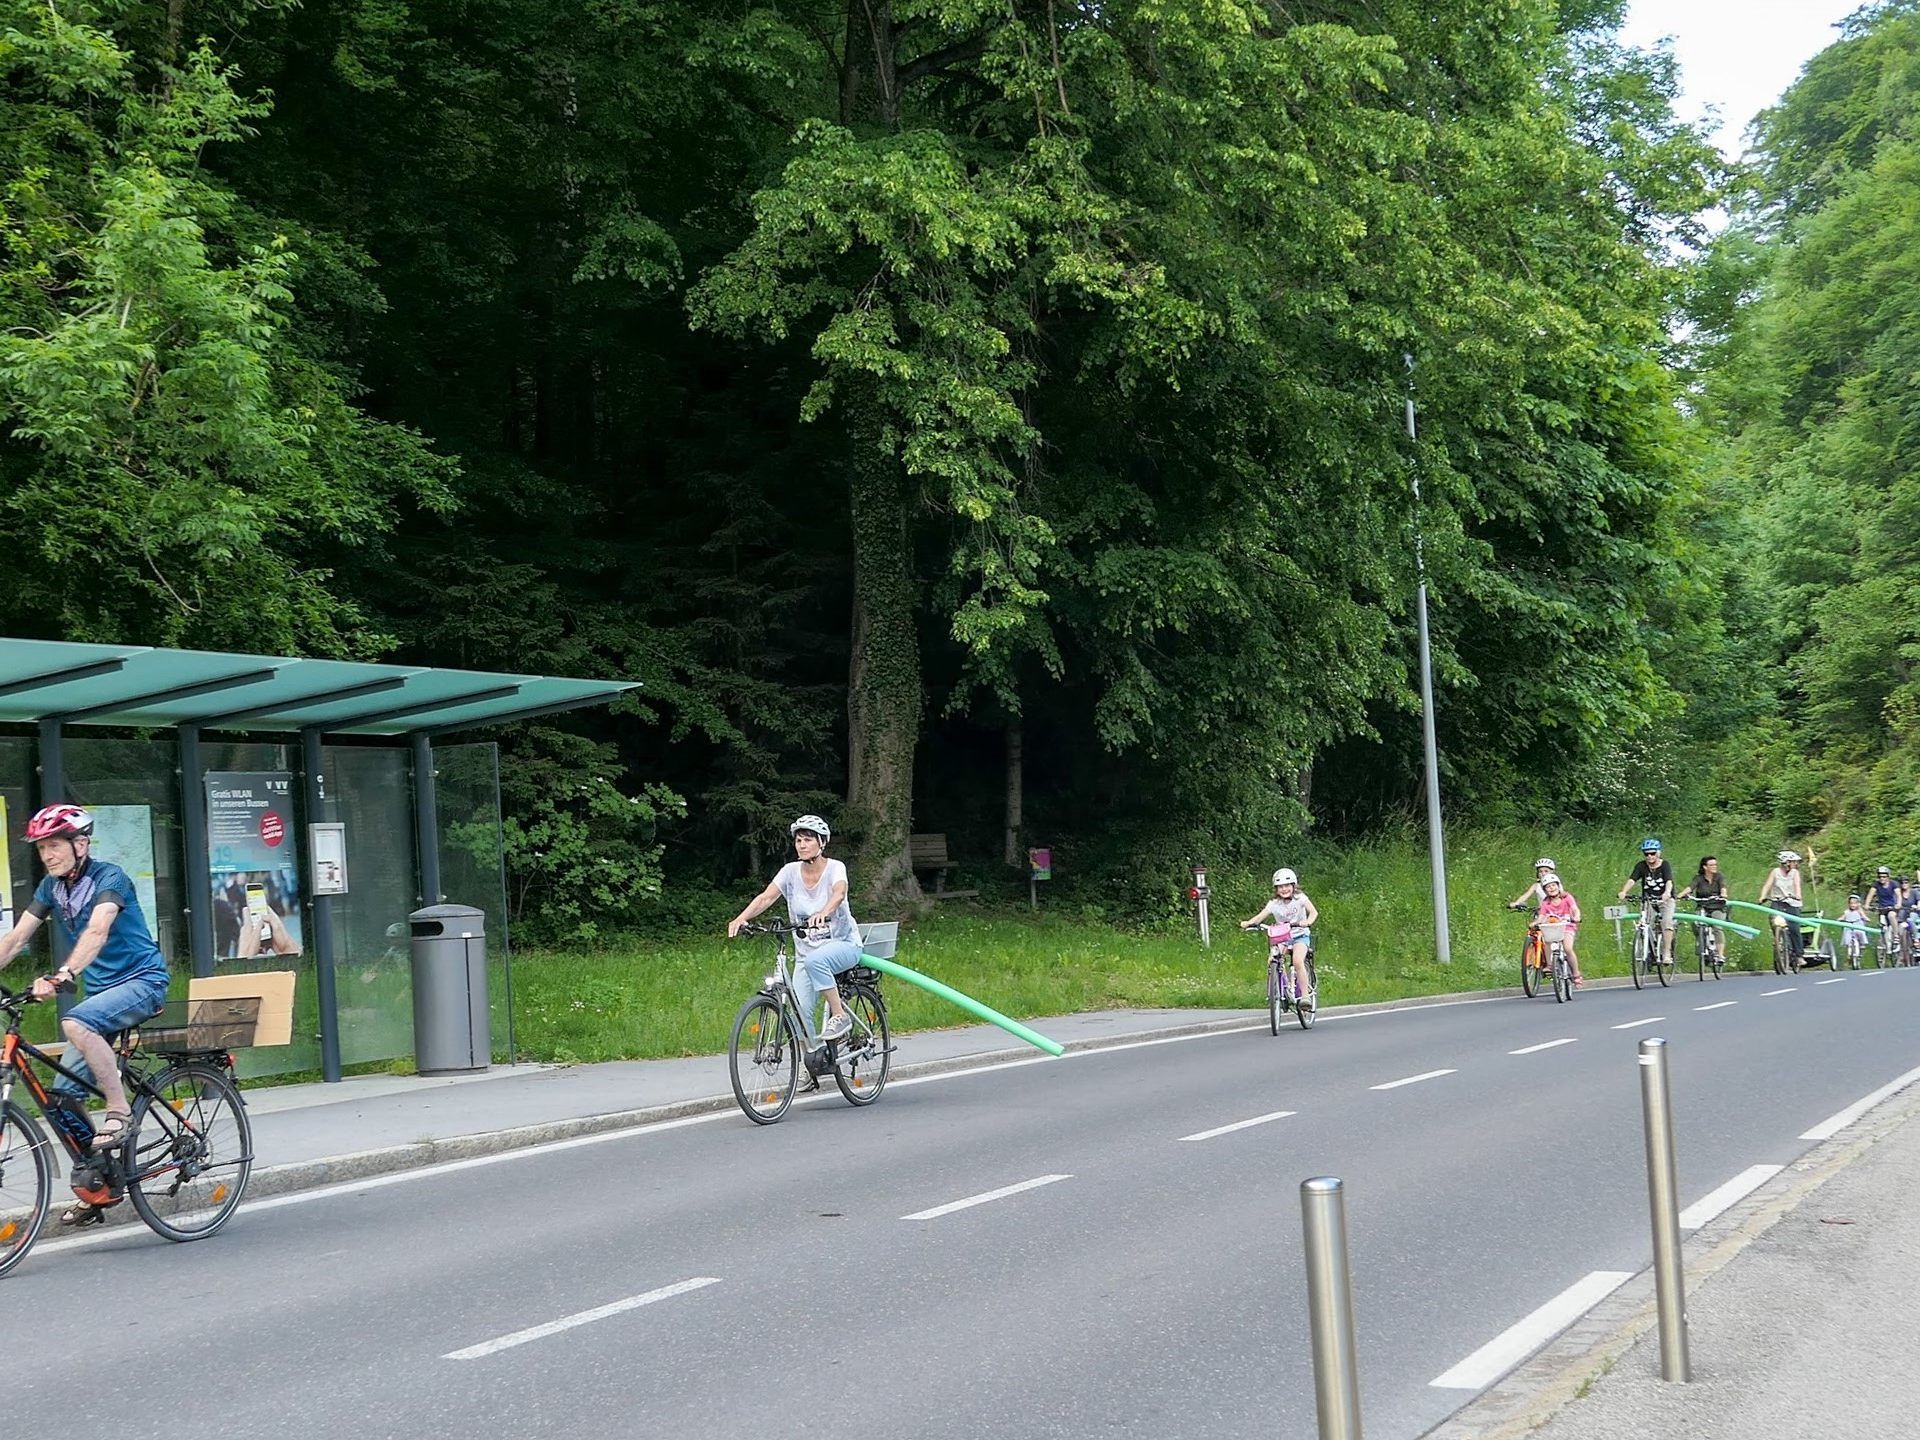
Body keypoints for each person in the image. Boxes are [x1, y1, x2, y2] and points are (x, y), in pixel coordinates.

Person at [0, 804, 171, 1224]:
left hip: (142, 983)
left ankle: (119, 1110)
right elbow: (17, 937)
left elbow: (97, 930)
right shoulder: (50, 889)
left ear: (81, 844)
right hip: (101, 993)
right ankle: (101, 1184)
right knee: (60, 1099)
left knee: (76, 1021)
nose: (48, 855)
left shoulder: (109, 878)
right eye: (42, 848)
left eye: (55, 845)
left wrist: (63, 974)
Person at [728, 815, 859, 1072]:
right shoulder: (790, 872)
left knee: (816, 960)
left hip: (843, 945)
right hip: (806, 954)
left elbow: (839, 893)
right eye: (798, 840)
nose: (801, 845)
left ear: (822, 843)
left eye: (808, 840)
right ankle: (813, 1063)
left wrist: (825, 911)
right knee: (799, 1011)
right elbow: (766, 898)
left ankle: (840, 1015)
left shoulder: (835, 868)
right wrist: (741, 918)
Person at [1240, 867, 1318, 1004]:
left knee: (1298, 960)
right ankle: (1277, 991)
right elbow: (1260, 917)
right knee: (1273, 958)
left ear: (1293, 886)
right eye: (1280, 886)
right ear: (1276, 889)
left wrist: (1308, 921)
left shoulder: (1300, 899)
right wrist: (1248, 923)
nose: (1284, 889)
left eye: (1287, 885)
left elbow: (1313, 912)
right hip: (1283, 937)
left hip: (1300, 935)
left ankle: (1305, 996)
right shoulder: (1274, 904)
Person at [1618, 838, 1677, 967]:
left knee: (1666, 922)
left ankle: (1667, 953)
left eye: (1652, 853)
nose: (1649, 856)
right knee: (1644, 923)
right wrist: (1623, 891)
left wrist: (1667, 893)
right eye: (1646, 854)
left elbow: (1669, 881)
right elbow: (1632, 879)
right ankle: (1649, 948)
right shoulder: (1641, 866)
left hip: (1665, 899)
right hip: (1648, 899)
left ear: (1658, 853)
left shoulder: (1665, 865)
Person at [1530, 873, 1584, 985]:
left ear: (1558, 886)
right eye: (1548, 887)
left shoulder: (1567, 898)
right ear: (1545, 890)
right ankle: (1550, 965)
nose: (1551, 888)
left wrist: (1576, 917)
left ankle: (1576, 973)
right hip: (1553, 928)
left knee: (1568, 948)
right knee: (1547, 942)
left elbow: (1575, 909)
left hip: (1567, 926)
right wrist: (1535, 923)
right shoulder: (1546, 902)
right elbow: (1542, 916)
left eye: (1553, 885)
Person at [1758, 850, 1806, 970]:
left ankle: (1799, 955)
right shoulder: (1775, 872)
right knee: (1774, 920)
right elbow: (1767, 885)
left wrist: (1798, 895)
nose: (1795, 864)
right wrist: (1762, 896)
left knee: (1794, 928)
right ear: (1786, 863)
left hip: (1792, 902)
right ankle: (1779, 942)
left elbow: (1797, 886)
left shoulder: (1795, 873)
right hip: (1778, 901)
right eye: (1793, 862)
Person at [1679, 855, 1729, 966]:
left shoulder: (1719, 877)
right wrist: (1681, 895)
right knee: (1695, 923)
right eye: (1711, 865)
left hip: (1717, 907)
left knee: (1717, 928)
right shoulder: (1698, 878)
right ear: (1705, 867)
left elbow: (1723, 887)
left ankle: (1720, 955)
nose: (1714, 867)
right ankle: (1701, 942)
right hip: (1702, 907)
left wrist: (1723, 894)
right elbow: (1690, 887)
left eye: (1715, 864)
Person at [1866, 866, 1905, 962]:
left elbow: (1898, 895)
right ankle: (1883, 943)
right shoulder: (1876, 884)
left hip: (1891, 907)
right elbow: (1870, 895)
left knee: (1891, 916)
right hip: (1882, 908)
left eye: (1884, 876)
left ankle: (1896, 936)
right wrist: (1867, 904)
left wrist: (1898, 904)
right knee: (1882, 925)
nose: (1882, 878)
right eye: (1880, 876)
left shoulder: (1893, 884)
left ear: (1888, 876)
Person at [1840, 893, 1870, 966]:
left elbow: (1863, 916)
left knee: (1860, 934)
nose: (1853, 905)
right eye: (1851, 903)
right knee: (1848, 940)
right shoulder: (1847, 912)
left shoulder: (1859, 911)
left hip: (1858, 926)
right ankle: (1849, 955)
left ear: (1858, 904)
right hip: (1849, 927)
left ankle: (1862, 945)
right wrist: (1840, 919)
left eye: (1854, 903)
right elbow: (1843, 917)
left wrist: (1866, 918)